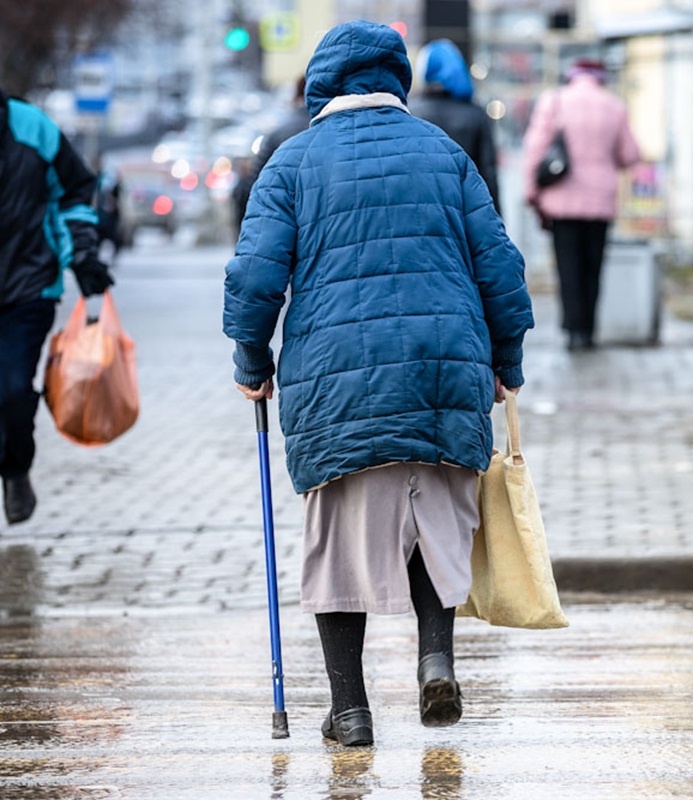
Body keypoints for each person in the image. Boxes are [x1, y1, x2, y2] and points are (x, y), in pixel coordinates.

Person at [222, 20, 533, 746]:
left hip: (337, 380)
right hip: (444, 364)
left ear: (320, 87)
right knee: (438, 530)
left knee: (337, 544)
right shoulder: (444, 153)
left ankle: (351, 709)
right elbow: (501, 269)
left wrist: (251, 361)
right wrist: (505, 363)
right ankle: (434, 658)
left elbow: (255, 275)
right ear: (396, 81)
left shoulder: (292, 161)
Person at [0, 87, 114, 525]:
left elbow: (77, 189)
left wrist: (83, 254)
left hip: (27, 288)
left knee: (11, 391)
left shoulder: (32, 127)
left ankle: (15, 469)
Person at [523, 58, 640, 351]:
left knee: (568, 266)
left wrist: (531, 192)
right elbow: (629, 154)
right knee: (593, 266)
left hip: (562, 200)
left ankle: (573, 329)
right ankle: (588, 329)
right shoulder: (614, 106)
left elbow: (535, 147)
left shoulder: (556, 101)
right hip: (600, 200)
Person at [408, 39, 501, 213]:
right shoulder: (475, 114)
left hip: (421, 214)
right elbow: (489, 174)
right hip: (466, 214)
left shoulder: (411, 111)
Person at [231, 76, 310, 232]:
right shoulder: (341, 132)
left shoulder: (278, 135)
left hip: (282, 228)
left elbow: (255, 185)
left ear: (296, 97)